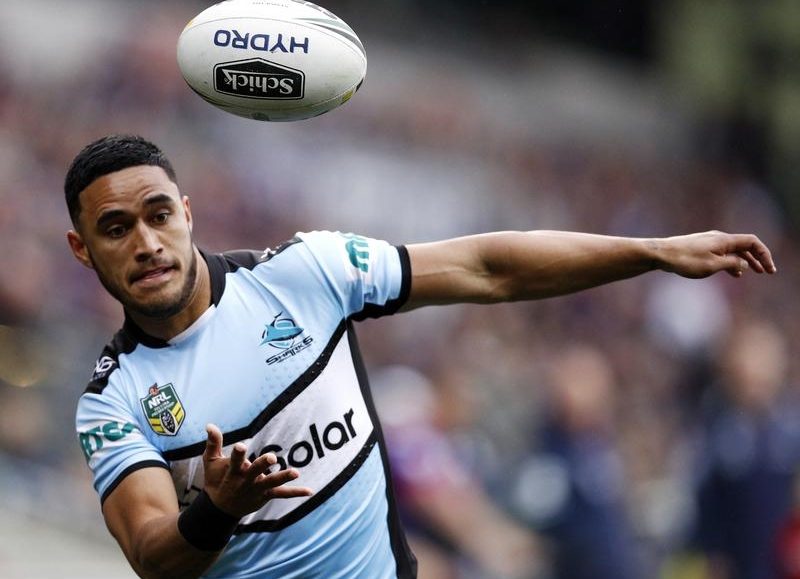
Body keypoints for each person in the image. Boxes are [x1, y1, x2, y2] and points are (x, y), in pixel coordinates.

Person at [67, 134, 776, 579]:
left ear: (187, 213)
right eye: (116, 228)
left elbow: (489, 267)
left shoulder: (305, 273)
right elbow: (152, 554)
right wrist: (218, 510)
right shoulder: (113, 401)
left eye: (159, 215)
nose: (147, 243)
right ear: (82, 249)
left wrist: (653, 251)